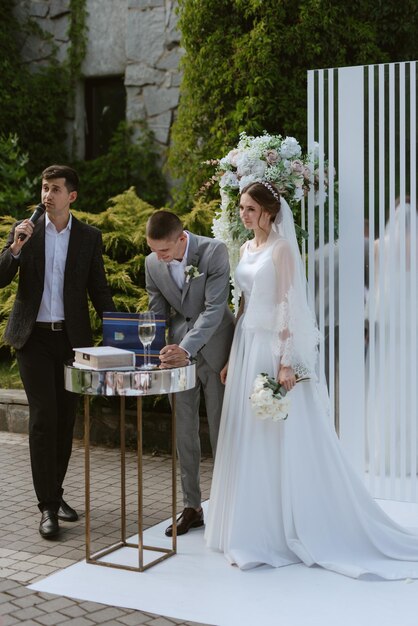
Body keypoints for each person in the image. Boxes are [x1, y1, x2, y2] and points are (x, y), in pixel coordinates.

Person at [205, 181, 418, 579]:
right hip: (247, 344)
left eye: (250, 208)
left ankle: (274, 530)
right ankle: (244, 525)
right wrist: (234, 355)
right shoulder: (248, 248)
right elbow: (244, 303)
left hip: (271, 349)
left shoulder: (282, 250)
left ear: (269, 212)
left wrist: (286, 362)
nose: (243, 214)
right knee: (246, 433)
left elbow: (289, 305)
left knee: (274, 435)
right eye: (241, 207)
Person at [0, 165, 115, 539]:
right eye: (44, 188)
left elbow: (98, 289)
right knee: (43, 418)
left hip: (70, 341)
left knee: (65, 420)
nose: (47, 195)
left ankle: (56, 493)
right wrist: (15, 248)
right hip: (32, 339)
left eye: (55, 189)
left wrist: (119, 333)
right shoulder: (26, 231)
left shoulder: (88, 237)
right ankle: (47, 507)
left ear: (72, 196)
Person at [145, 210, 234, 536]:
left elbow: (214, 310)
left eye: (165, 251)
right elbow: (158, 314)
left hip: (215, 351)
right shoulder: (151, 263)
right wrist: (157, 352)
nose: (160, 257)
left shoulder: (214, 251)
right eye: (154, 250)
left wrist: (185, 347)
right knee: (184, 434)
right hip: (178, 361)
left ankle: (228, 507)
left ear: (181, 238)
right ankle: (191, 507)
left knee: (223, 434)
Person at [366, 198, 418, 476]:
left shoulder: (378, 246)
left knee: (385, 390)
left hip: (387, 328)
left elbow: (375, 288)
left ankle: (383, 455)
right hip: (411, 328)